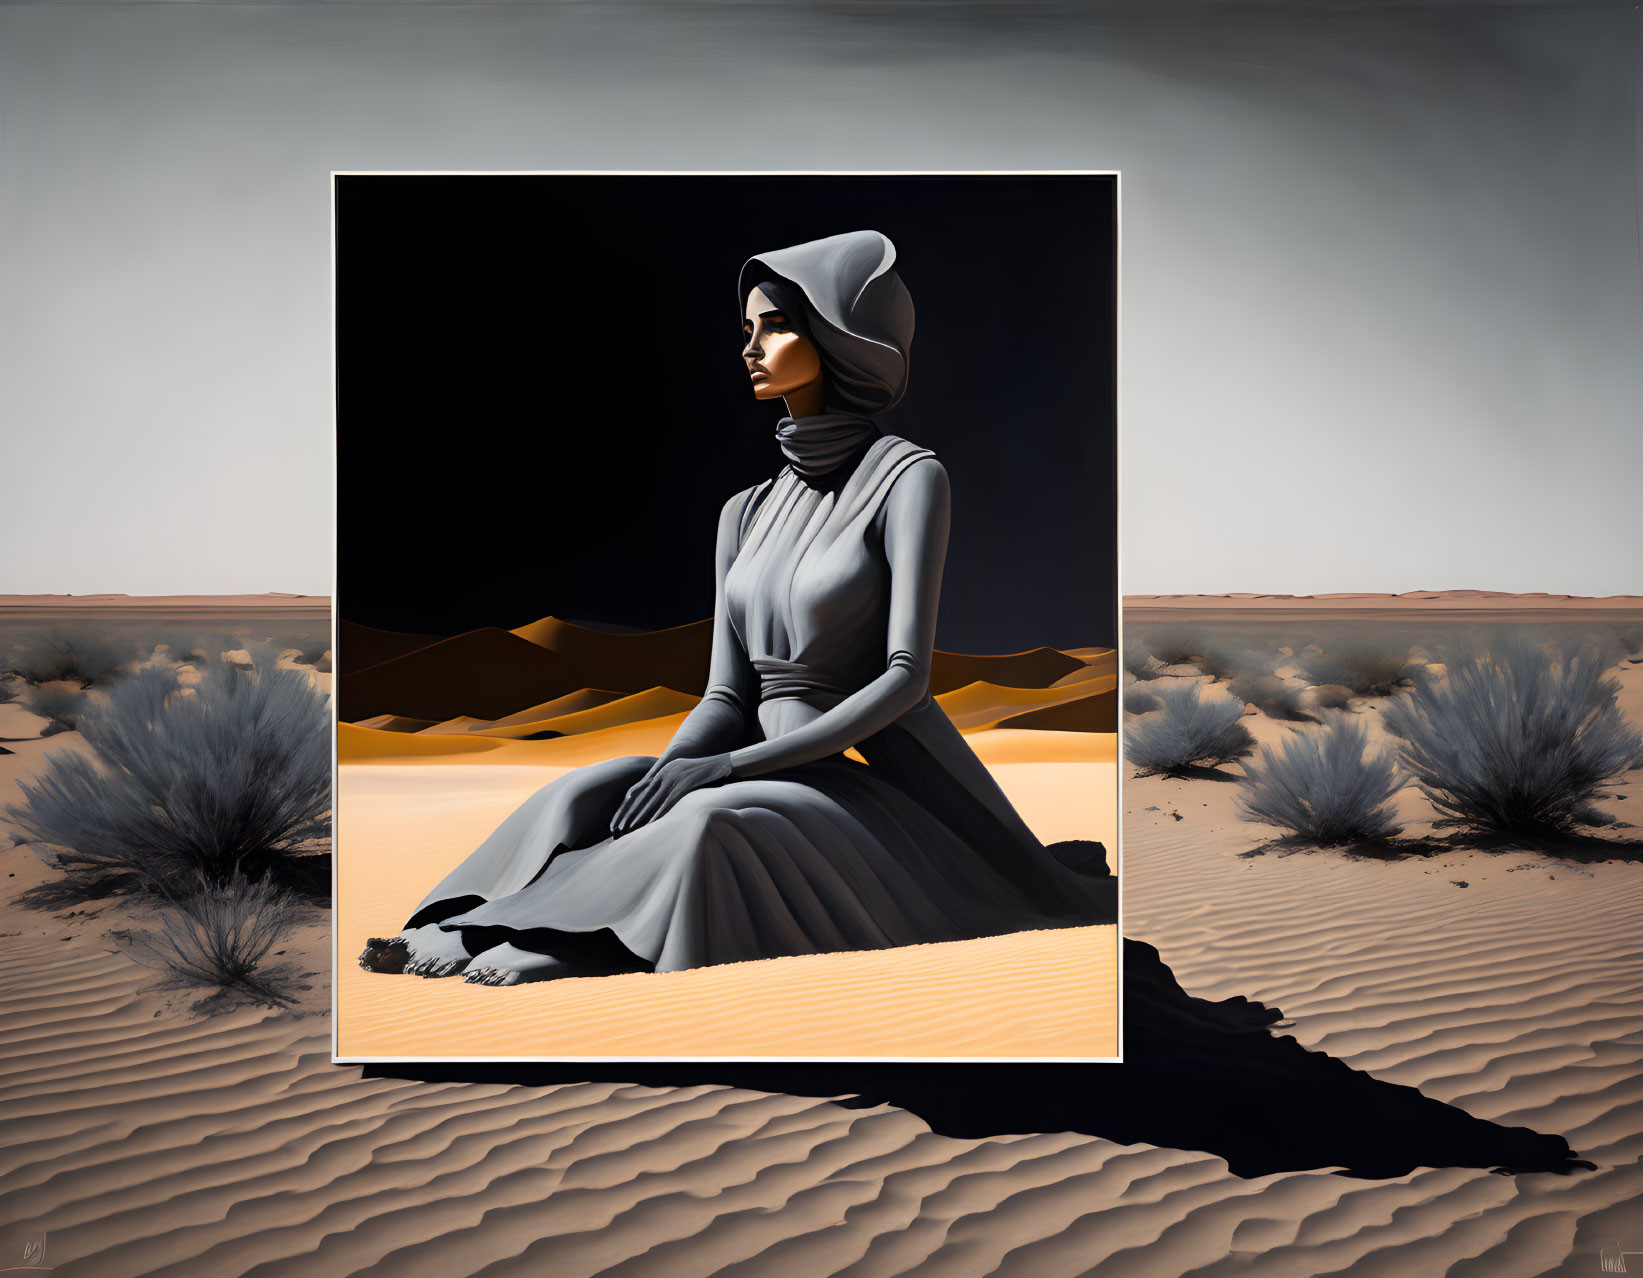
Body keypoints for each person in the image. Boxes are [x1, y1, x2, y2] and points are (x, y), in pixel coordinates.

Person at [358, 228, 1116, 987]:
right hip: (750, 765)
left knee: (706, 823)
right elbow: (726, 694)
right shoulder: (743, 512)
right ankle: (460, 927)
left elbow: (903, 681)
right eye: (746, 330)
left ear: (837, 334)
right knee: (587, 791)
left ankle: (575, 944)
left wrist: (720, 770)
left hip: (845, 780)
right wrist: (671, 770)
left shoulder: (908, 478)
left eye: (776, 325)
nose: (750, 348)